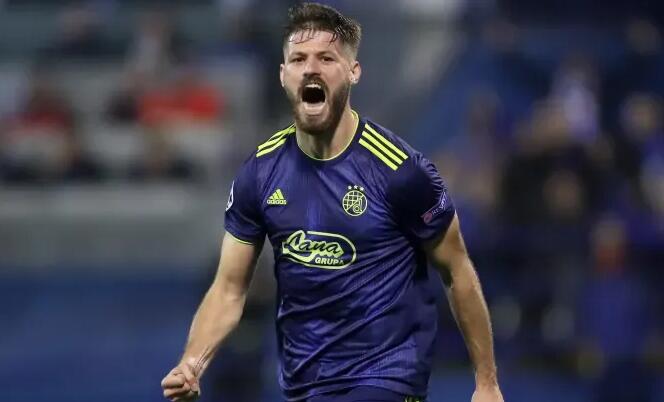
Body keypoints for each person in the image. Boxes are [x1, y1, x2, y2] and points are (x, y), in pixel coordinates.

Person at [161, 3, 503, 402]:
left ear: (353, 72)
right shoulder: (261, 172)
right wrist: (192, 363)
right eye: (299, 59)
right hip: (307, 385)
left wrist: (486, 382)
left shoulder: (400, 171)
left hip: (386, 379)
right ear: (283, 75)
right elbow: (228, 289)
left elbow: (457, 269)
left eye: (326, 58)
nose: (311, 69)